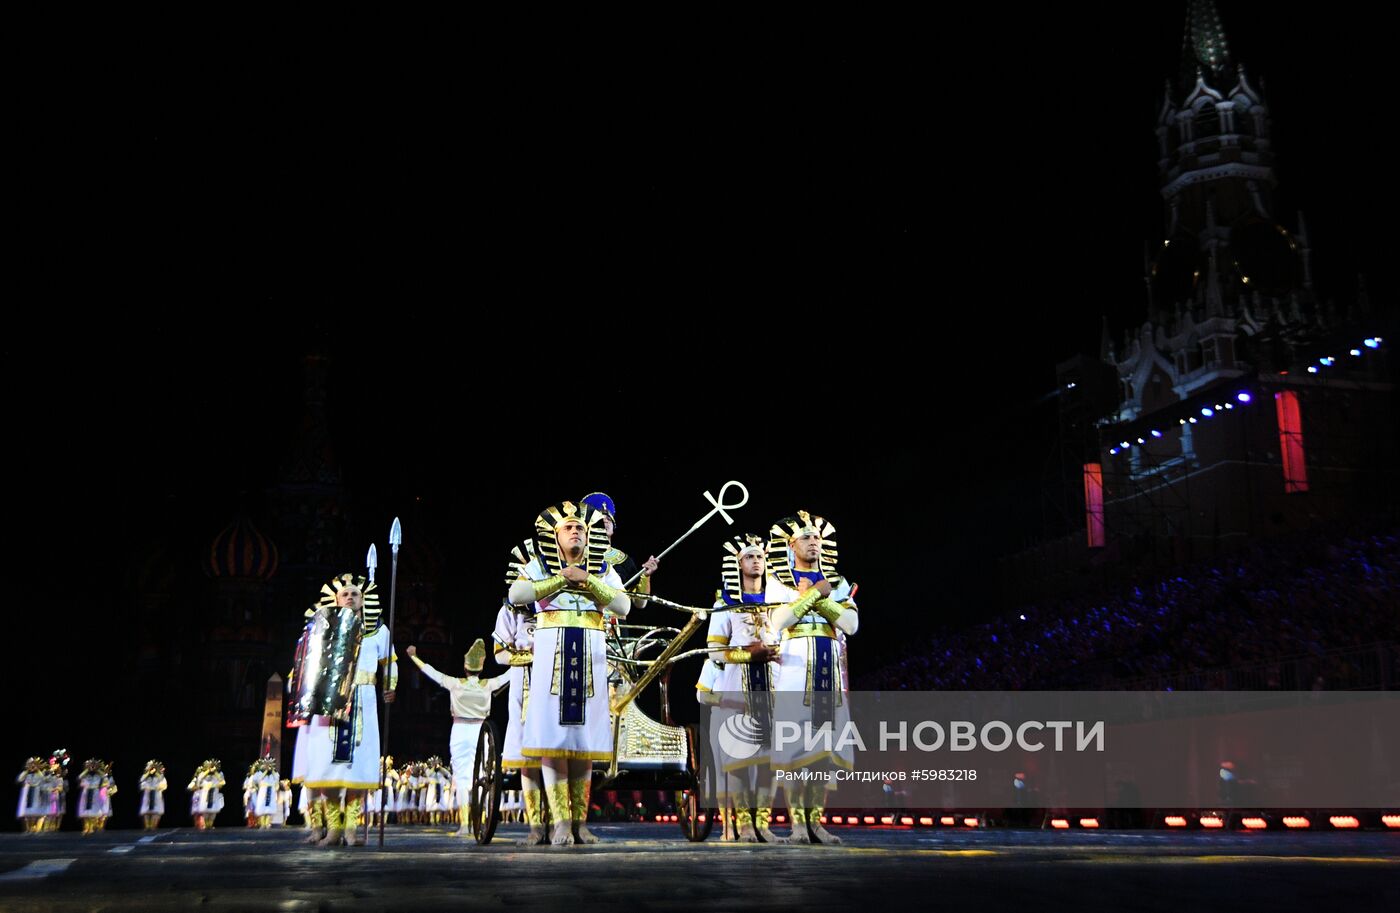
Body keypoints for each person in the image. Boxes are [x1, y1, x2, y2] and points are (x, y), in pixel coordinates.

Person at [508, 501, 630, 845]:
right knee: (554, 740)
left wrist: (587, 579)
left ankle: (580, 822)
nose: (575, 531)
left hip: (591, 653)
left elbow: (623, 605)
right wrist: (561, 578)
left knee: (583, 743)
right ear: (556, 536)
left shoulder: (603, 569)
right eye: (568, 527)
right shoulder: (538, 565)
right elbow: (517, 594)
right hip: (552, 655)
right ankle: (561, 822)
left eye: (580, 528)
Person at [767, 511, 859, 845]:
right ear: (791, 545)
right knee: (795, 749)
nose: (813, 542)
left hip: (828, 668)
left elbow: (851, 625)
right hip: (795, 666)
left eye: (817, 537)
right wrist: (812, 595)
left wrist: (819, 596)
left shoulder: (837, 582)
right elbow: (778, 621)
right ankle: (797, 826)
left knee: (824, 751)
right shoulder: (777, 581)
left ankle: (816, 823)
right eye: (805, 537)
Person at [296, 573, 398, 847]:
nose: (350, 597)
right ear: (336, 599)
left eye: (355, 594)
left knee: (357, 769)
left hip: (364, 699)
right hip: (331, 702)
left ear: (364, 600)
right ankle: (333, 830)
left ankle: (351, 829)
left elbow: (390, 662)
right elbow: (308, 661)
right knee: (327, 767)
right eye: (345, 594)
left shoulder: (378, 631)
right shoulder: (324, 626)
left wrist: (390, 686)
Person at [707, 533, 784, 843]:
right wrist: (748, 655)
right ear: (738, 564)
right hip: (738, 686)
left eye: (760, 556)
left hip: (775, 686)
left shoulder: (779, 603)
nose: (756, 561)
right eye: (749, 556)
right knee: (739, 759)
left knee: (771, 762)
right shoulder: (724, 604)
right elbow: (715, 652)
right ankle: (745, 825)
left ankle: (763, 823)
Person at [408, 638, 509, 836]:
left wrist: (414, 657)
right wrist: (527, 657)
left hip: (461, 730)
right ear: (481, 668)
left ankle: (465, 825)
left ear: (465, 667)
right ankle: (480, 822)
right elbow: (508, 676)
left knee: (462, 777)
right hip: (481, 730)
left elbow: (432, 673)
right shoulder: (487, 684)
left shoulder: (455, 684)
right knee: (482, 775)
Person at [188, 759, 225, 830]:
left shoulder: (219, 774)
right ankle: (205, 824)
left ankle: (210, 825)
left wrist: (215, 773)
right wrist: (208, 771)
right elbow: (199, 780)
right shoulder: (203, 774)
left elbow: (223, 782)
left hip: (214, 794)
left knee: (213, 811)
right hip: (205, 794)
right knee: (205, 811)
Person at [15, 757, 48, 833]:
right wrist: (26, 770)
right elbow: (19, 779)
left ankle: (35, 828)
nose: (32, 766)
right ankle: (27, 829)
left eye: (34, 765)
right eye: (30, 764)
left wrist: (38, 770)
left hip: (36, 794)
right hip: (26, 795)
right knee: (26, 813)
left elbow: (43, 780)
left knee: (35, 812)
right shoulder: (26, 773)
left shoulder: (39, 774)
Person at [138, 760, 168, 830]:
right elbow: (142, 783)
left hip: (157, 795)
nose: (152, 770)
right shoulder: (145, 777)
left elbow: (164, 785)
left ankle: (153, 826)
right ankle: (147, 826)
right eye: (151, 768)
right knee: (146, 811)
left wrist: (157, 787)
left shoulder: (160, 777)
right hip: (147, 795)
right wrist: (146, 787)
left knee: (156, 811)